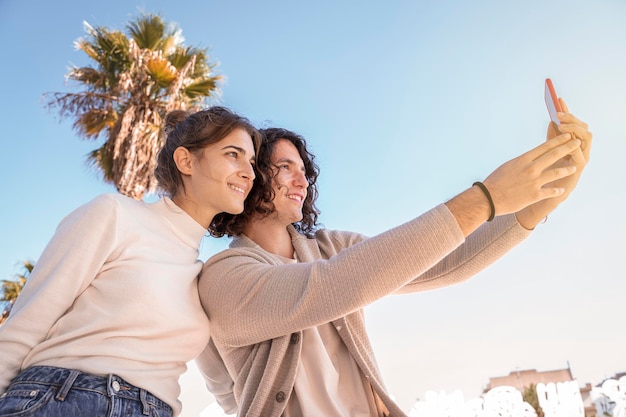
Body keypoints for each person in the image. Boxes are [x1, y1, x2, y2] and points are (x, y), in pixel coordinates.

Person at [195, 100, 592, 417]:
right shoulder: (223, 277)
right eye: (284, 167)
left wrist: (542, 200)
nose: (301, 181)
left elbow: (443, 263)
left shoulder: (331, 246)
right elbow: (331, 286)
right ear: (250, 176)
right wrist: (485, 198)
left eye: (303, 170)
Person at [0, 106, 260, 417]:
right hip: (64, 399)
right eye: (233, 154)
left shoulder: (201, 275)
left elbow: (228, 387)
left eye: (252, 162)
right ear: (186, 161)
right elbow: (27, 323)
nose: (249, 172)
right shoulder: (115, 213)